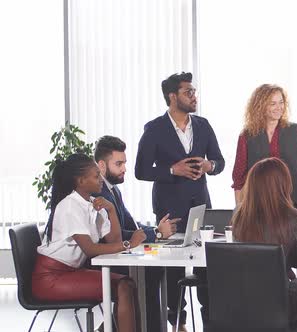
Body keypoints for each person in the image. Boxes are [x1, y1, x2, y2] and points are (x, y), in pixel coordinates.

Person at [135, 72, 225, 331]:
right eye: (188, 92)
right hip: (169, 210)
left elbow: (219, 162)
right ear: (172, 97)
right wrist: (172, 170)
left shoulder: (204, 125)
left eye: (194, 91)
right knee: (174, 269)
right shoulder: (154, 129)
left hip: (201, 208)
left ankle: (210, 321)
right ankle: (178, 321)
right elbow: (141, 170)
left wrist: (210, 165)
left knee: (206, 266)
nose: (194, 96)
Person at [32, 153, 145, 332]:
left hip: (70, 272)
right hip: (51, 278)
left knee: (127, 284)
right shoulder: (70, 206)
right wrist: (129, 244)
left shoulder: (92, 203)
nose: (101, 179)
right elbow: (90, 249)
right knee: (124, 286)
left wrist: (111, 209)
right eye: (95, 175)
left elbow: (113, 240)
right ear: (81, 181)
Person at [95, 135, 180, 332]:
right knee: (150, 272)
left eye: (124, 162)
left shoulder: (113, 190)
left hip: (117, 254)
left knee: (154, 270)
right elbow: (116, 234)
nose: (124, 168)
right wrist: (157, 234)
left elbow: (130, 225)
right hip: (103, 260)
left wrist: (155, 230)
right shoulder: (98, 193)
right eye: (119, 164)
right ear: (101, 165)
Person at [232, 157, 297, 330]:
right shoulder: (292, 217)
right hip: (280, 301)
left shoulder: (239, 217)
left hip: (244, 301)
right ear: (283, 185)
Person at [232, 84, 297, 211]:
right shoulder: (247, 135)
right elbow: (239, 177)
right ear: (260, 106)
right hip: (259, 202)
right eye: (273, 104)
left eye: (281, 102)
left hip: (292, 201)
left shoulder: (295, 130)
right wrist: (239, 211)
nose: (279, 107)